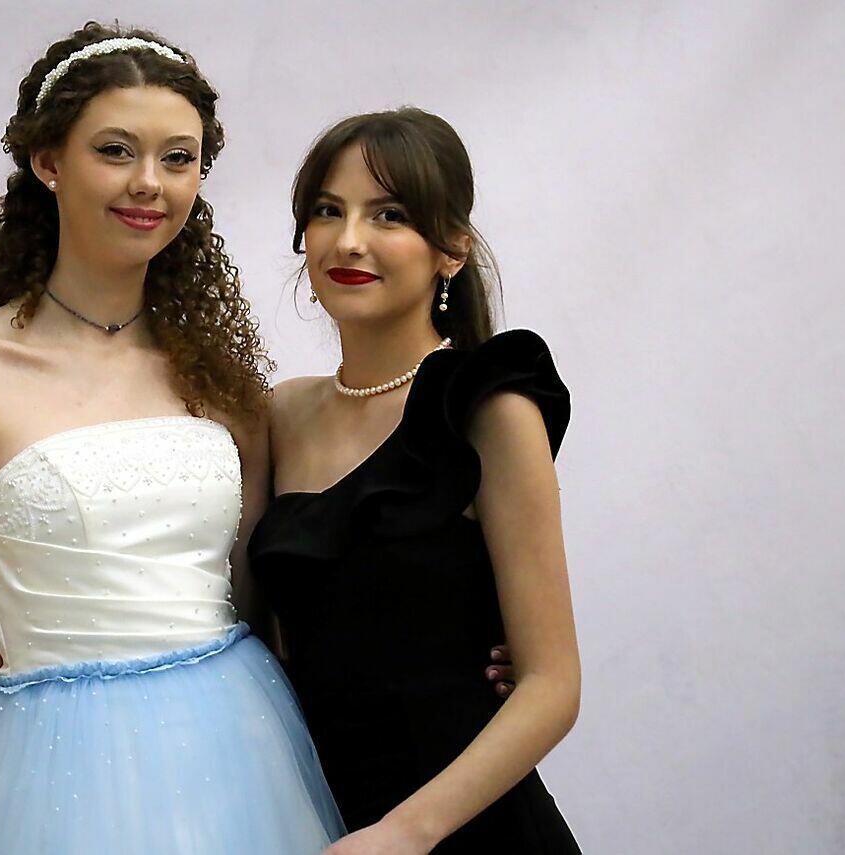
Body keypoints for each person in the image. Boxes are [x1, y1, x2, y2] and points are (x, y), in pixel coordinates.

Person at [0, 22, 344, 854]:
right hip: (50, 783)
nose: (149, 183)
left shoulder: (223, 385)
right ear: (47, 160)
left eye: (178, 158)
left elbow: (266, 612)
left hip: (239, 766)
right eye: (116, 150)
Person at [251, 108, 582, 853]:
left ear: (452, 248)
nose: (349, 240)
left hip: (463, 831)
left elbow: (553, 685)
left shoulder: (488, 406)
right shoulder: (278, 414)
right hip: (317, 817)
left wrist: (405, 833)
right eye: (328, 211)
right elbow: (239, 626)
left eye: (390, 215)